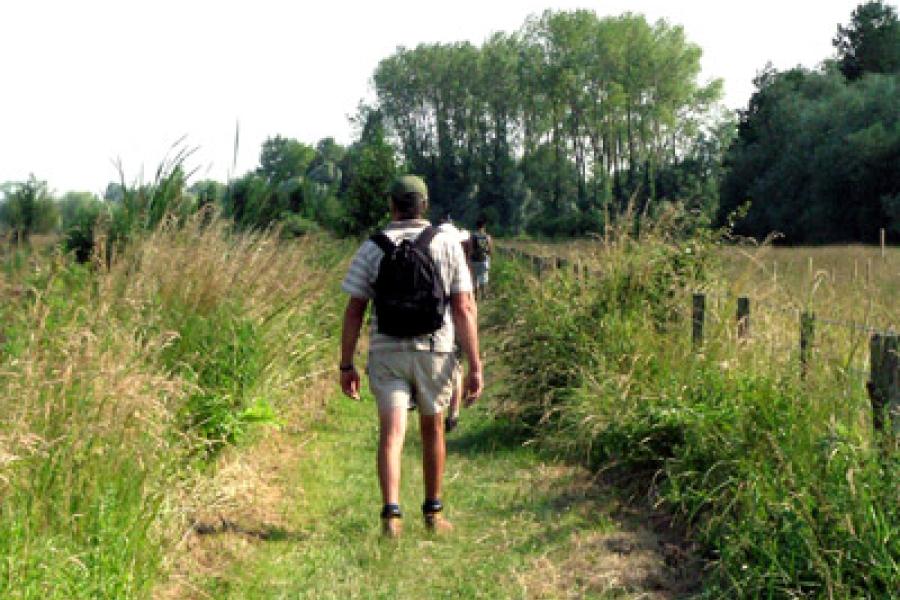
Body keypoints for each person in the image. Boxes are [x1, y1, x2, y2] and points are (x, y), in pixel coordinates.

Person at [339, 175, 483, 538]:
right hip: (435, 349)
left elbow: (354, 309)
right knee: (433, 428)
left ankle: (391, 515)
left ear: (392, 206)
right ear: (424, 205)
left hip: (387, 350)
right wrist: (475, 366)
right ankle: (433, 513)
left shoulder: (373, 247)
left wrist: (346, 363)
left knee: (392, 431)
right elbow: (464, 306)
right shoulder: (447, 244)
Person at [468, 217, 493, 301]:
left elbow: (471, 249)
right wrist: (489, 256)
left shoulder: (473, 236)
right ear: (484, 226)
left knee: (475, 278)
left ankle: (475, 296)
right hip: (483, 259)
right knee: (483, 278)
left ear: (476, 226)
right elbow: (490, 250)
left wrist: (469, 259)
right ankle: (483, 295)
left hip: (474, 260)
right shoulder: (487, 237)